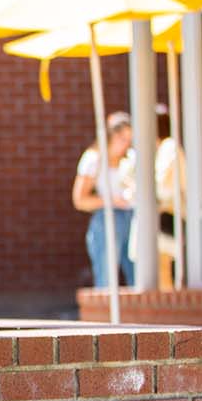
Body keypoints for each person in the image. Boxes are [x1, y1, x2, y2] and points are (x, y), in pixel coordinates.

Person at [73, 111, 135, 288]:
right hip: (107, 219)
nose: (125, 144)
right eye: (122, 139)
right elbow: (79, 200)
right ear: (110, 136)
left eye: (129, 140)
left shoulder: (131, 158)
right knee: (106, 278)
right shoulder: (94, 159)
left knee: (137, 275)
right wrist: (111, 200)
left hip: (132, 216)